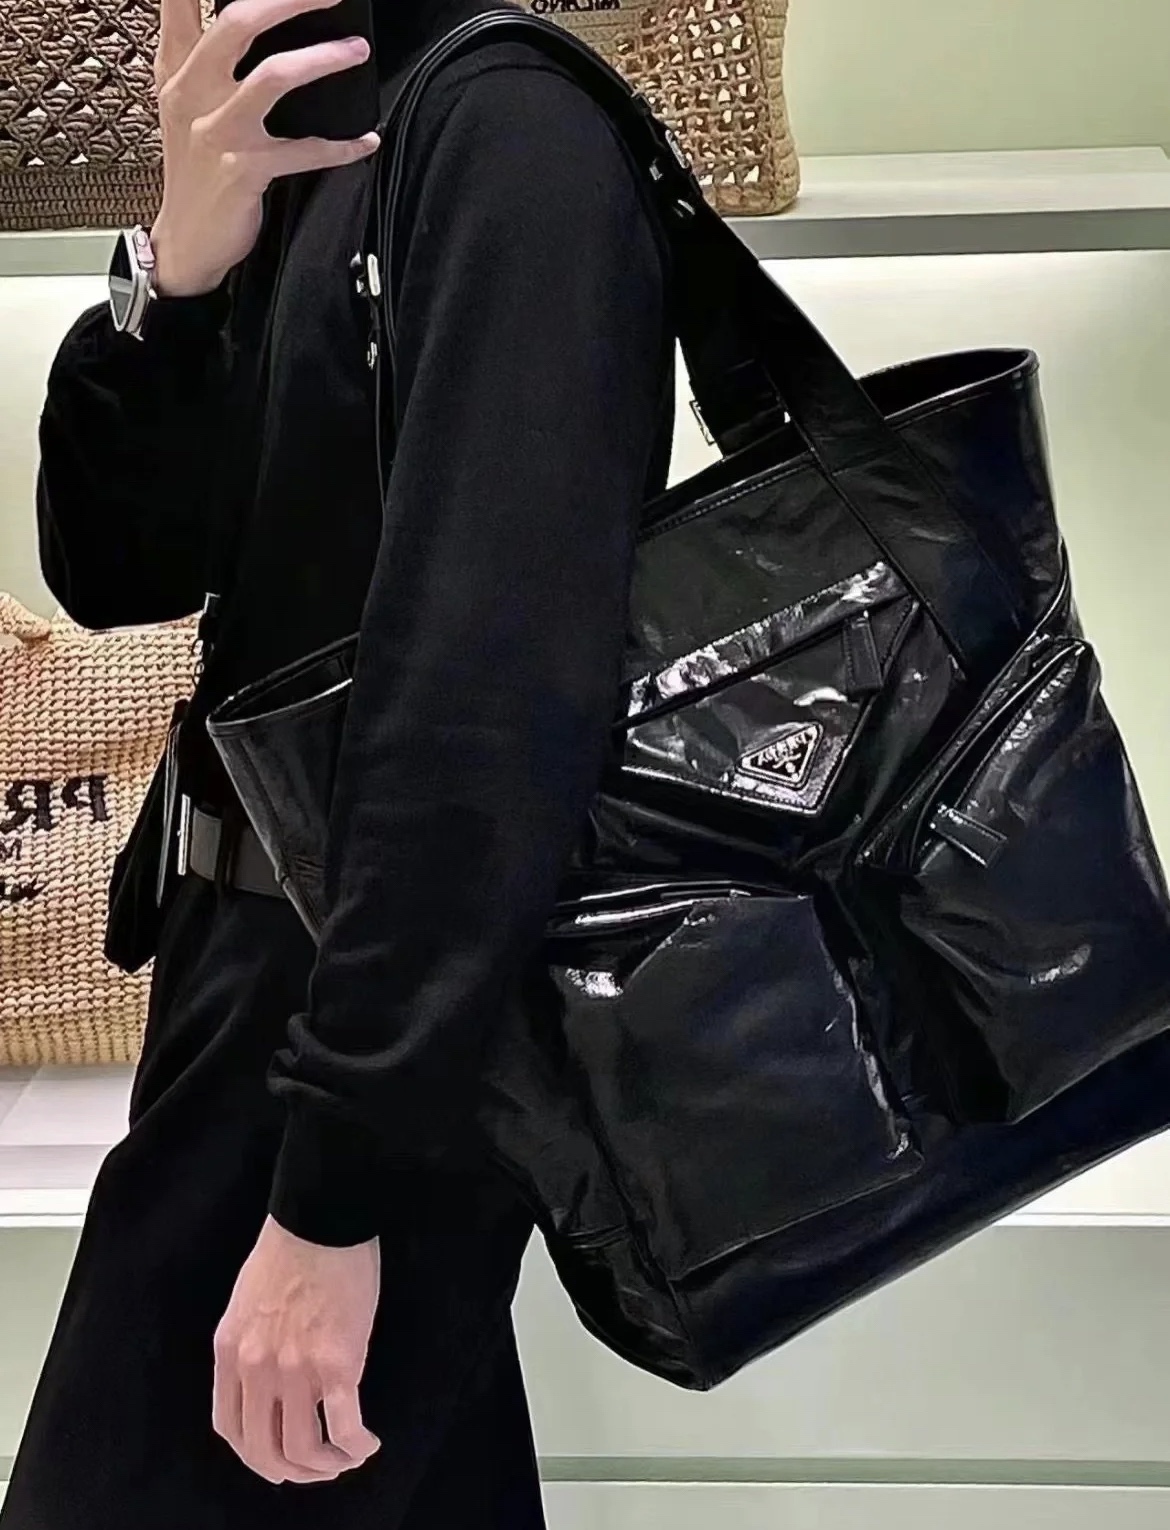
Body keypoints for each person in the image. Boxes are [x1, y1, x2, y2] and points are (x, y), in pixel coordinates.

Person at [0, 0, 674, 1523]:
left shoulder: (509, 131)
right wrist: (176, 266)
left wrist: (334, 1191)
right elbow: (112, 566)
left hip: (357, 1027)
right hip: (265, 997)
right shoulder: (305, 144)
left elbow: (489, 704)